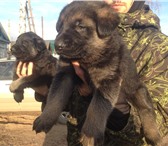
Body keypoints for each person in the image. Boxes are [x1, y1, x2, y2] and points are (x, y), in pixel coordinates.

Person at [16, 0, 168, 146]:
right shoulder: (82, 28)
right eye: (63, 26)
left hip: (128, 136)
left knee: (143, 104)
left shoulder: (158, 46)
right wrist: (44, 94)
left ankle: (152, 134)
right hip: (76, 141)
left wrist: (115, 113)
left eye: (80, 27)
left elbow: (163, 117)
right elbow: (65, 89)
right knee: (63, 77)